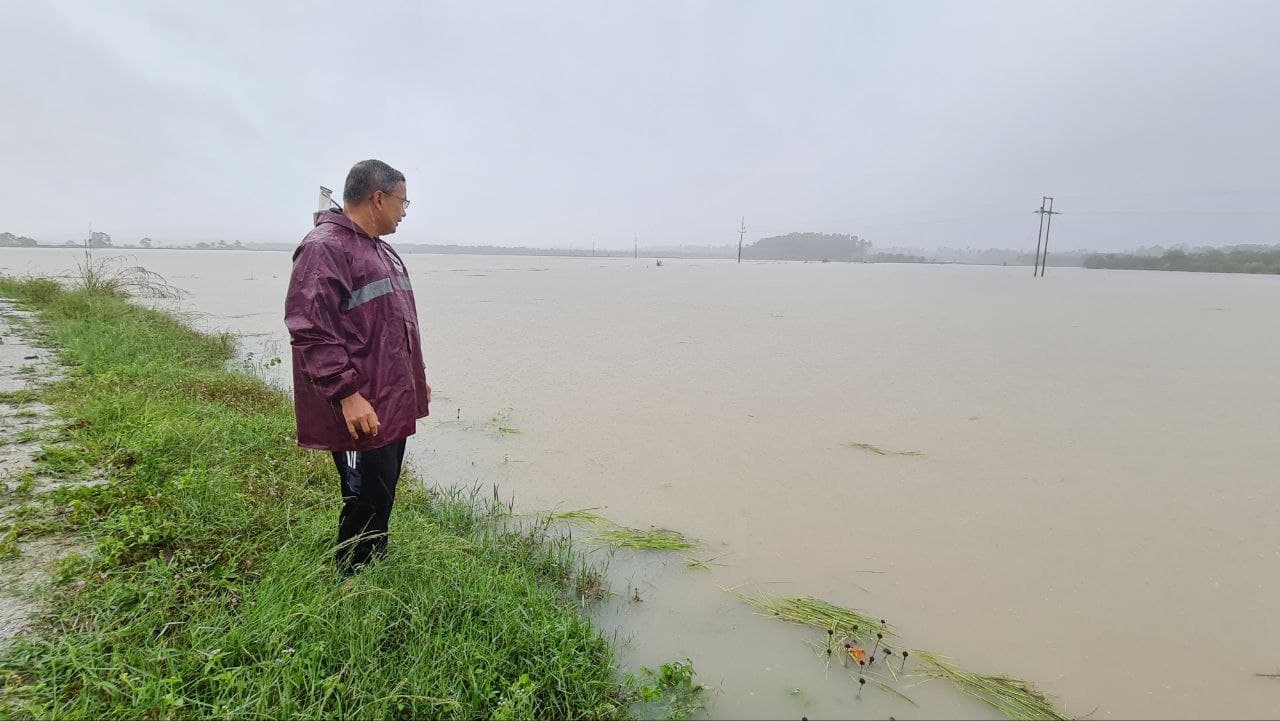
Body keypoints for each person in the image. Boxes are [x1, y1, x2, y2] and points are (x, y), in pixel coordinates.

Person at [284, 159, 430, 575]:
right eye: (403, 202)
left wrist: (417, 378)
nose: (404, 212)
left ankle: (374, 567)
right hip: (359, 406)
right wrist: (347, 395)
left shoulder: (379, 249)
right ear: (378, 198)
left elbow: (394, 325)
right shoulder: (325, 248)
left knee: (381, 491)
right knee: (362, 495)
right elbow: (312, 329)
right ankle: (351, 581)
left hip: (388, 398)